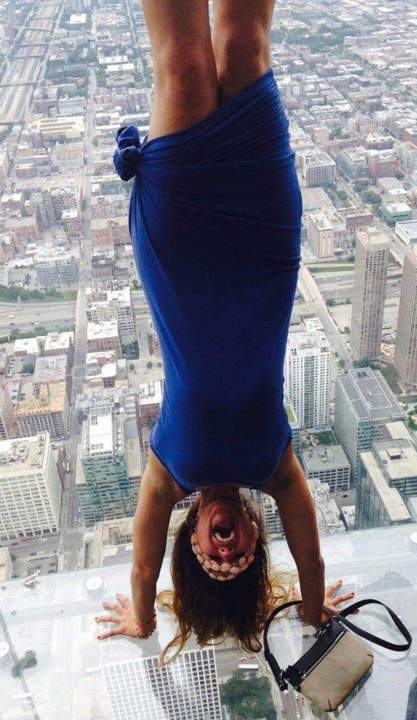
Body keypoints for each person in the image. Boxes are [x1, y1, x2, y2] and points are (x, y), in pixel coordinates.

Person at [95, 0, 356, 664]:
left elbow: (142, 566)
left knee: (183, 67)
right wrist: (311, 611)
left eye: (212, 563)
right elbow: (310, 560)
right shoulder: (275, 467)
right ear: (254, 538)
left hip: (180, 247)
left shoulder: (168, 473)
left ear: (189, 542)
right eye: (240, 563)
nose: (226, 554)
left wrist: (145, 622)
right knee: (242, 44)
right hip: (262, 238)